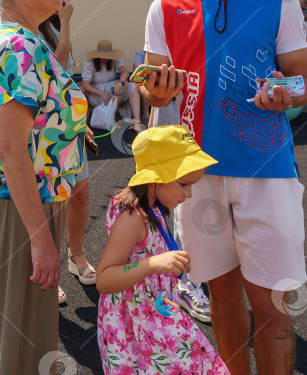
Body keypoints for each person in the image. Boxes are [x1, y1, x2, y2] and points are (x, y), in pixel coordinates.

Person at [142, 0, 307, 375]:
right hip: (196, 171)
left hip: (267, 167)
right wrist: (157, 91)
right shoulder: (165, 6)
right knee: (220, 292)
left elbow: (306, 82)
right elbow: (156, 91)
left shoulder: (278, 0)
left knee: (271, 301)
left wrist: (288, 93)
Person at [0, 0, 88, 374]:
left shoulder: (7, 32)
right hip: (25, 206)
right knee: (24, 340)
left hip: (19, 201)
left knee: (23, 332)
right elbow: (11, 149)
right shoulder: (20, 47)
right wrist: (41, 239)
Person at [96, 125, 229, 374]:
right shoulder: (132, 218)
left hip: (154, 311)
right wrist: (155, 264)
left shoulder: (152, 204)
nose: (189, 194)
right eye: (184, 184)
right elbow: (104, 279)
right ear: (155, 179)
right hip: (136, 322)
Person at [143, 0, 209, 323]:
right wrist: (156, 92)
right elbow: (155, 93)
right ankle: (185, 284)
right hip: (168, 128)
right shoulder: (160, 19)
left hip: (204, 129)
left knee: (195, 209)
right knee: (173, 207)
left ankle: (189, 277)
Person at [38, 0, 97, 304]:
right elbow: (54, 70)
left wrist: (81, 121)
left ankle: (77, 255)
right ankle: (51, 266)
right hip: (45, 133)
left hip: (69, 127)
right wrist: (67, 22)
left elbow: (66, 82)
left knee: (81, 196)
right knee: (54, 203)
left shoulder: (54, 24)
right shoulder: (31, 28)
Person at [80, 40, 144, 132]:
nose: (106, 58)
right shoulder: (91, 62)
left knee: (131, 85)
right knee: (123, 84)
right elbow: (86, 85)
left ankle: (136, 120)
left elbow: (125, 72)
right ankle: (113, 118)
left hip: (113, 88)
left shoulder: (114, 60)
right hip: (96, 92)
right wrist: (101, 93)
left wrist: (120, 82)